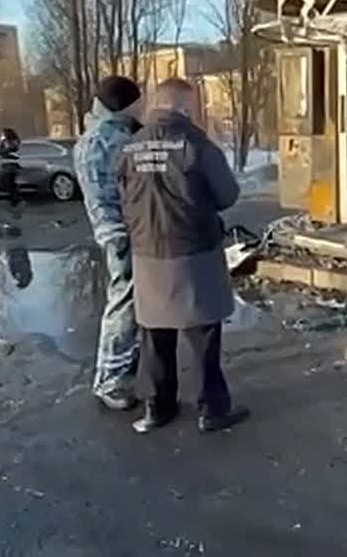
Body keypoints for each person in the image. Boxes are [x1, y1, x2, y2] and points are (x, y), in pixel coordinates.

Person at [115, 78, 250, 434]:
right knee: (203, 335)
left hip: (147, 253)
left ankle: (157, 408)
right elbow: (227, 195)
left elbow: (122, 197)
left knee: (154, 335)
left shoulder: (130, 147)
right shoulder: (196, 144)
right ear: (183, 106)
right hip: (194, 252)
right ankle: (211, 410)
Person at [73, 75, 144, 411]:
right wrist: (116, 235)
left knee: (133, 302)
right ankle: (109, 379)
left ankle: (125, 363)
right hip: (122, 233)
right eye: (136, 103)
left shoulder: (115, 133)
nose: (141, 108)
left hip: (128, 230)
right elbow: (104, 195)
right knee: (123, 304)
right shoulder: (104, 139)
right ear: (122, 104)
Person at [0, 127, 22, 207]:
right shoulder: (8, 142)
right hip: (8, 166)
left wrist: (1, 143)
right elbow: (1, 153)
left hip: (11, 167)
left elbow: (3, 152)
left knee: (7, 184)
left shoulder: (13, 143)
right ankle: (15, 198)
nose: (2, 135)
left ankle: (16, 200)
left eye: (3, 134)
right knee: (8, 184)